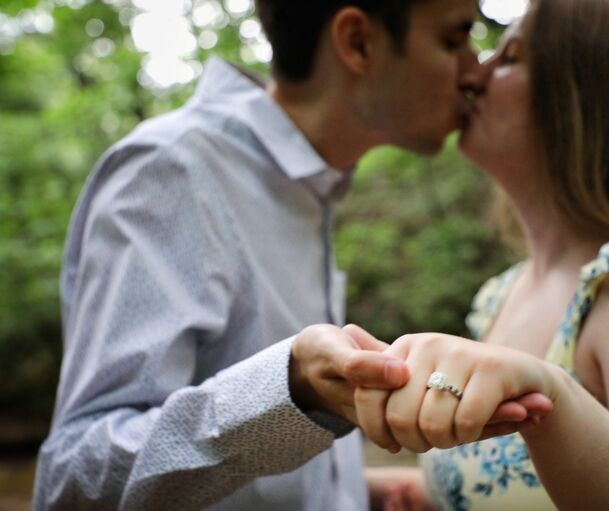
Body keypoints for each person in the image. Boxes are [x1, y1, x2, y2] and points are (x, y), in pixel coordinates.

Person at [33, 1, 553, 509]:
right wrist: (291, 392)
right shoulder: (175, 172)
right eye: (453, 38)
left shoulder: (307, 187)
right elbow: (73, 484)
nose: (474, 70)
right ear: (357, 41)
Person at [354, 0, 609, 509]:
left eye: (510, 58)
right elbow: (510, 488)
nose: (474, 76)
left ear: (598, 91)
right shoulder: (504, 292)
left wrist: (559, 403)